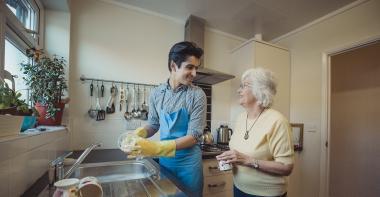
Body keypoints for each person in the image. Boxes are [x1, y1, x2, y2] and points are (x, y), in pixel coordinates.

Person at [130, 41, 206, 196]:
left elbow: (193, 137)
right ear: (173, 66)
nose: (194, 73)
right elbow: (154, 124)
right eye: (189, 67)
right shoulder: (156, 93)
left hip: (189, 165)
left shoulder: (197, 95)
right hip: (166, 163)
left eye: (196, 68)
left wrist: (156, 148)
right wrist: (140, 133)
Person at [216, 68, 294, 197]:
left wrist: (249, 161)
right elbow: (242, 153)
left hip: (265, 194)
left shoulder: (277, 121)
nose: (238, 90)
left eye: (244, 86)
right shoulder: (241, 118)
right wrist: (232, 159)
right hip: (239, 188)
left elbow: (286, 167)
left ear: (260, 91)